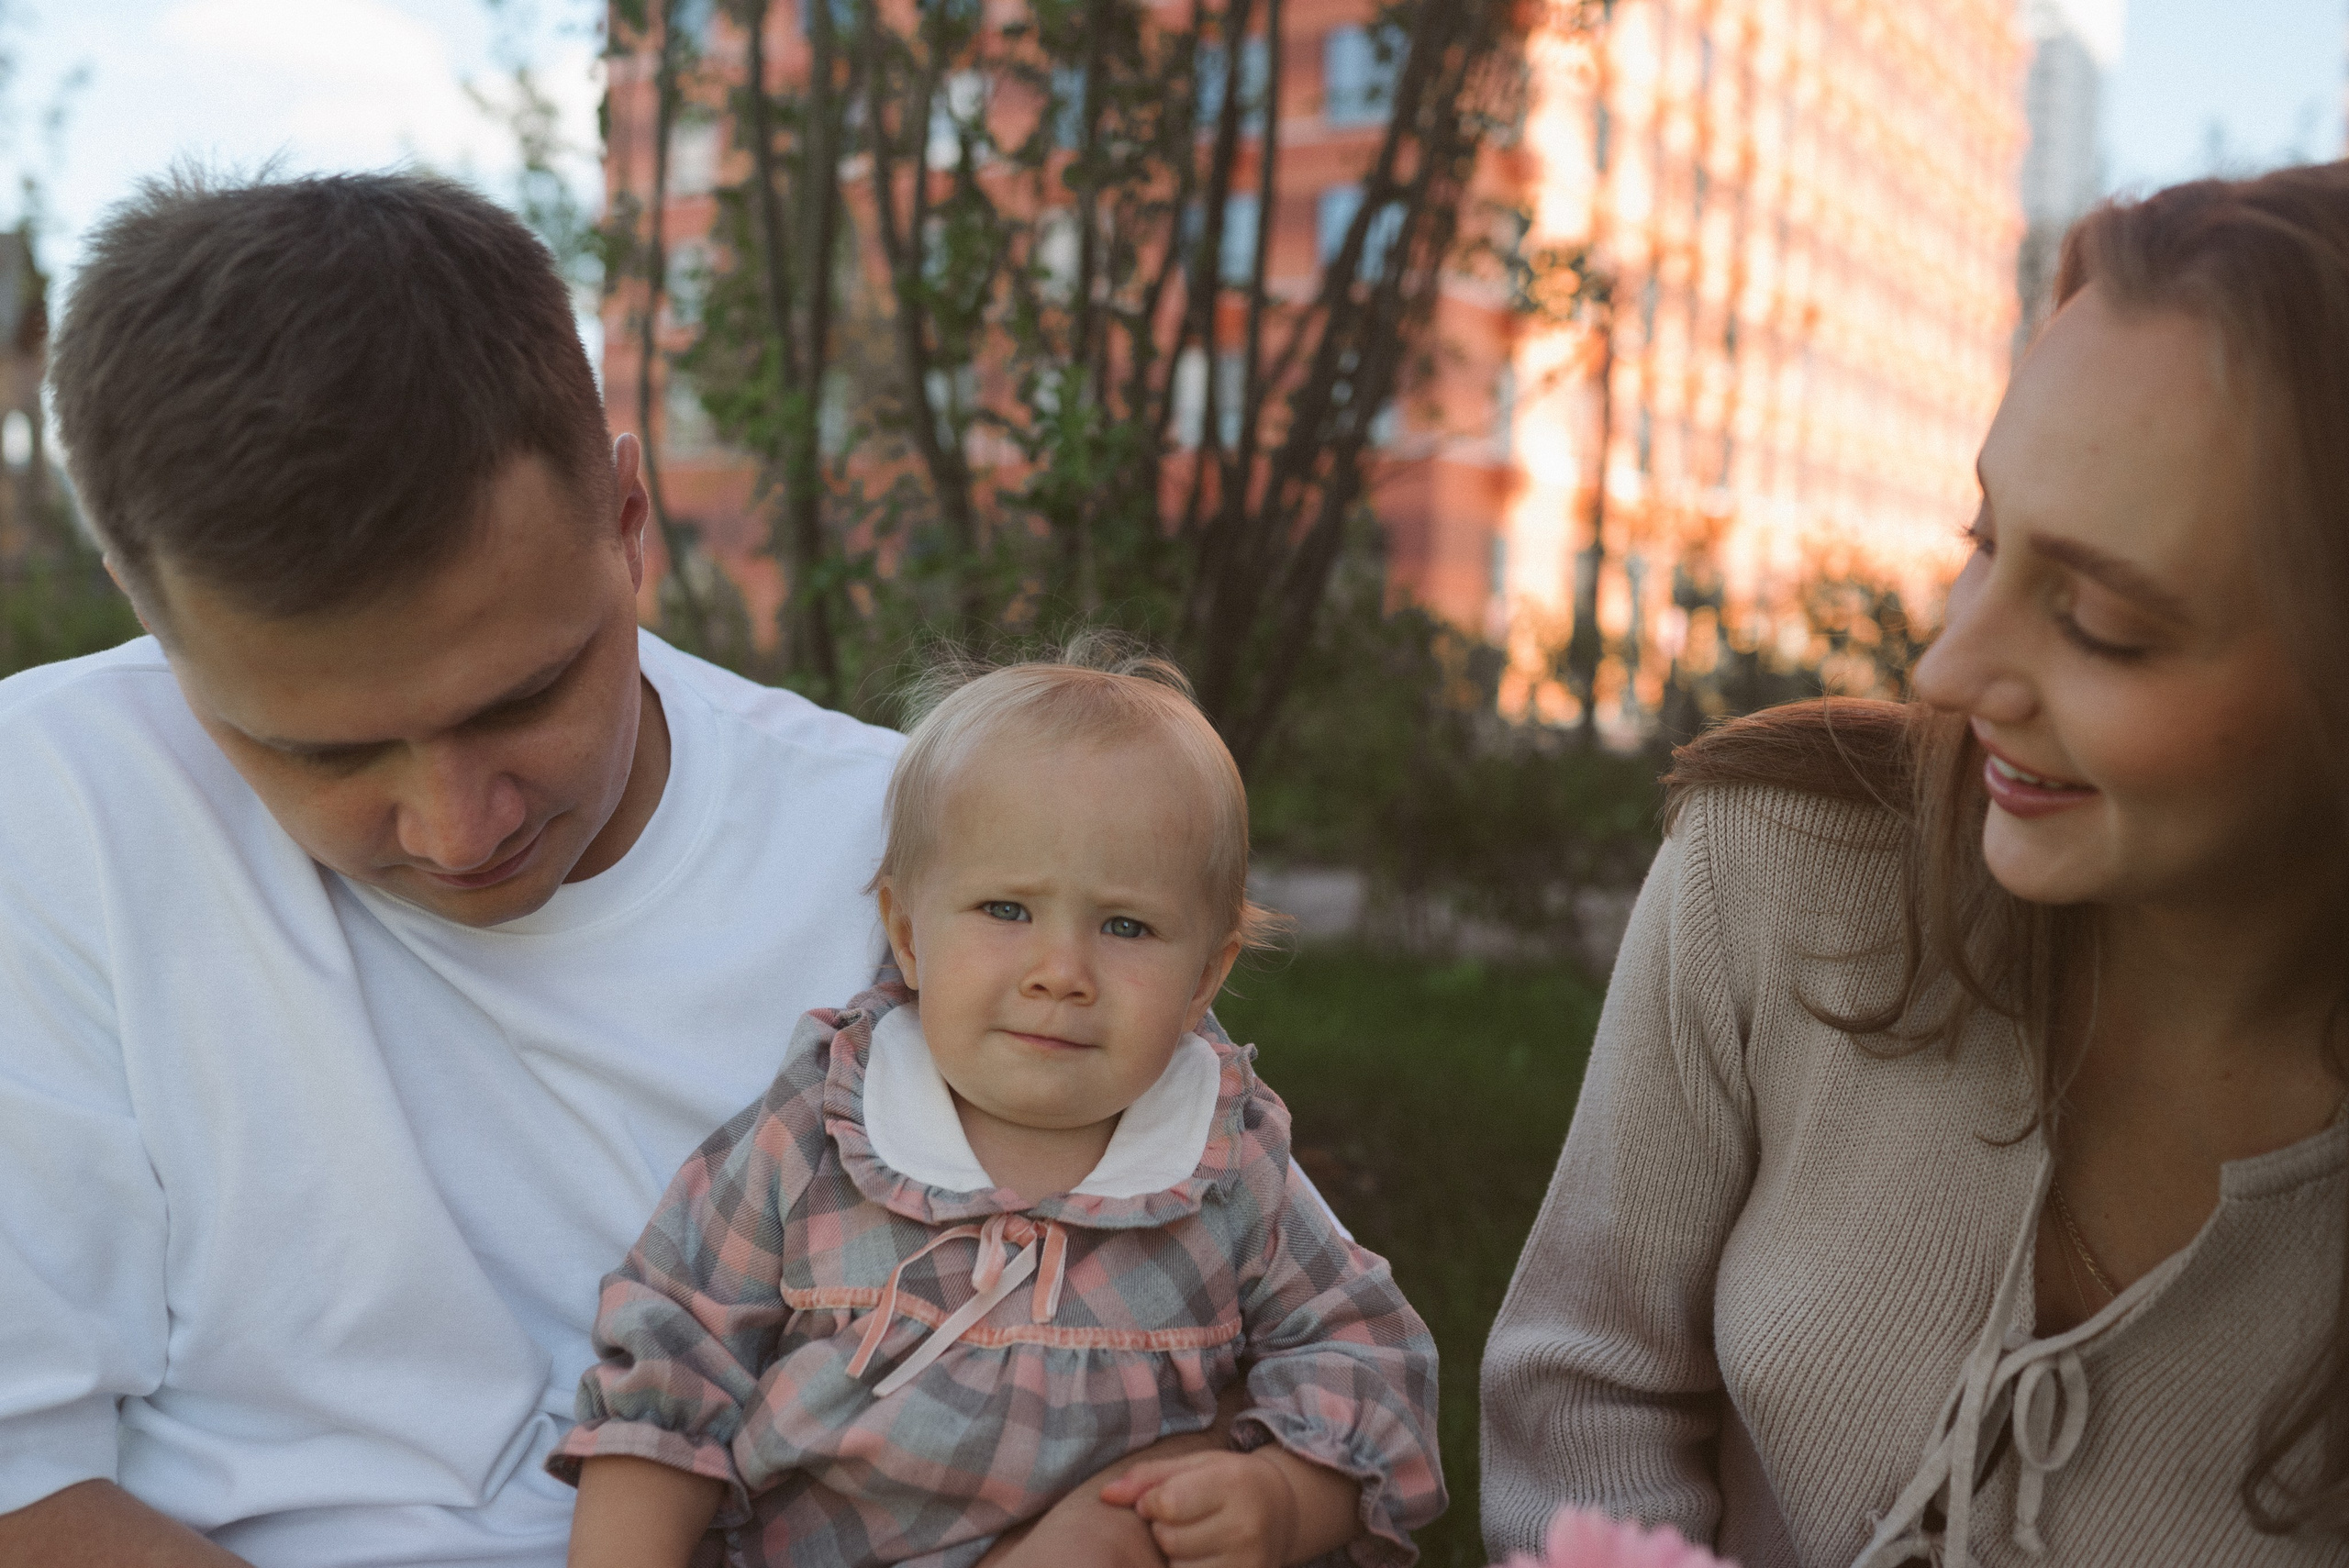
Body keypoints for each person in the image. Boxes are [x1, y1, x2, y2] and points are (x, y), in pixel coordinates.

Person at [0, 172, 1294, 1568]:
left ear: (629, 519)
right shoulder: (51, 809)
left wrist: (1129, 1515)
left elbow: (1260, 1339)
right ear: (155, 616)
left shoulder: (936, 854)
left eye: (522, 697)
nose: (456, 826)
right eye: (324, 749)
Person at [1482, 163, 2349, 1567]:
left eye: (2102, 621)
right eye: (1984, 541)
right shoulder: (1776, 867)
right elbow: (1585, 1389)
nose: (1948, 669)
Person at [551, 652, 1445, 1568]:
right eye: (1006, 908)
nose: (1061, 971)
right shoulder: (825, 1130)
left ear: (1205, 977)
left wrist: (1285, 1497)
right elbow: (674, 1358)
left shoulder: (1221, 1164)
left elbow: (1374, 1358)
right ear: (908, 933)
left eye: (1125, 925)